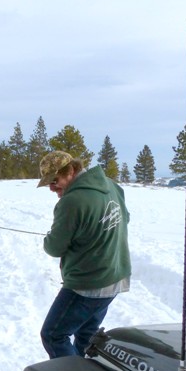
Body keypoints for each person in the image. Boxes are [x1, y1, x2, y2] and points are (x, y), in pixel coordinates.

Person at [37, 151, 131, 359]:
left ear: (71, 170)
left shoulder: (71, 202)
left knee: (53, 335)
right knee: (86, 335)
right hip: (116, 278)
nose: (52, 187)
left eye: (54, 180)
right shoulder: (112, 186)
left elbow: (54, 247)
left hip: (88, 284)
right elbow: (125, 218)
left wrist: (49, 238)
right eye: (48, 184)